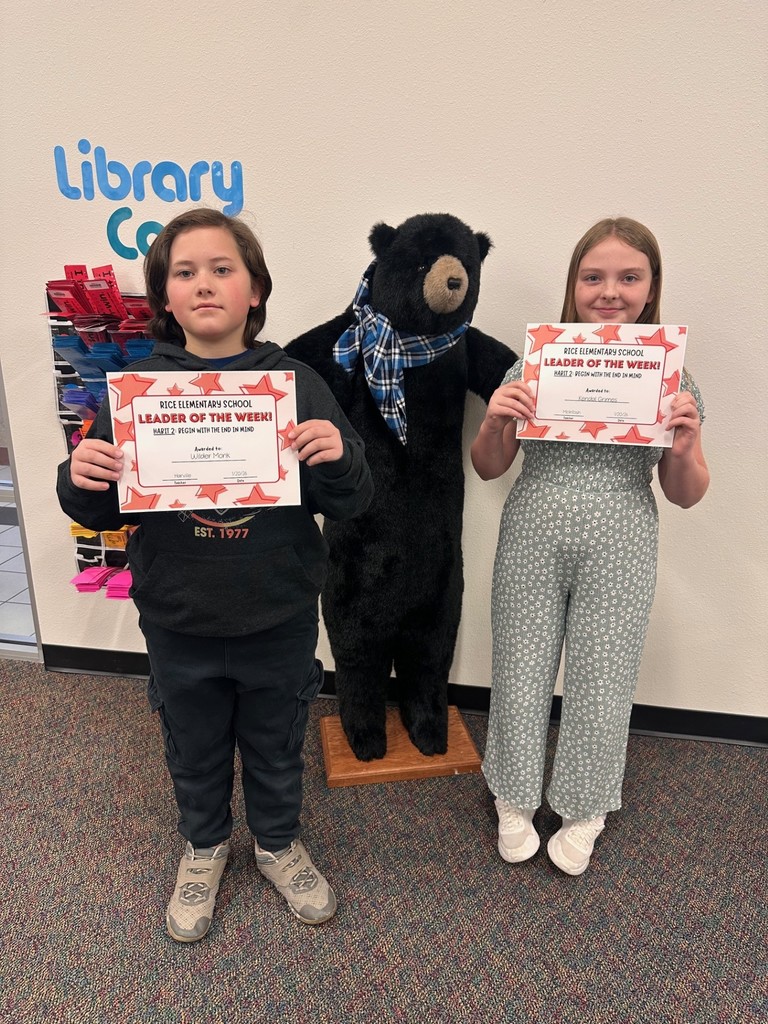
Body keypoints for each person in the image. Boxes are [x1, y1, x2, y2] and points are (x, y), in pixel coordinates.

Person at [56, 208, 374, 939]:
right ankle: (204, 846)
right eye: (185, 272)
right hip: (179, 616)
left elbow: (352, 499)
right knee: (192, 749)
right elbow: (95, 508)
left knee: (277, 743)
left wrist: (339, 457)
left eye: (222, 269)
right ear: (165, 298)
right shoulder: (135, 391)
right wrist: (80, 475)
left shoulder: (296, 382)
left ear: (255, 289)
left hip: (278, 614)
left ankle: (276, 843)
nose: (204, 284)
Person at [471, 217, 709, 876]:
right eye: (593, 276)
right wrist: (493, 422)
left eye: (629, 277)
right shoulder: (534, 365)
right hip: (533, 531)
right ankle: (513, 795)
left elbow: (686, 494)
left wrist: (685, 446)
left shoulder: (673, 380)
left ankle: (585, 807)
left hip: (622, 539)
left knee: (604, 679)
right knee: (519, 667)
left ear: (651, 287)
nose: (609, 291)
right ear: (573, 285)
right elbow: (489, 466)